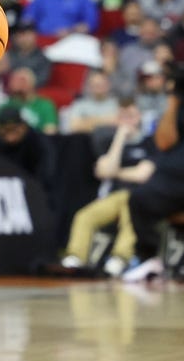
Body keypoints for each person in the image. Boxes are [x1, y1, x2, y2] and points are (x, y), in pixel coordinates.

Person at [57, 99, 154, 277]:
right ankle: (76, 258)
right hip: (113, 196)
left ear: (139, 117)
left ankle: (120, 258)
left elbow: (143, 174)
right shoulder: (108, 140)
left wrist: (115, 171)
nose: (127, 121)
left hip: (139, 196)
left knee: (129, 212)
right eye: (122, 117)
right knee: (84, 216)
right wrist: (120, 137)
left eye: (131, 116)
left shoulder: (149, 143)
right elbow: (104, 171)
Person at [124, 67, 184, 281]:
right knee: (139, 199)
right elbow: (163, 142)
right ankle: (148, 258)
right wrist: (174, 100)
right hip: (174, 182)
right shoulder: (179, 106)